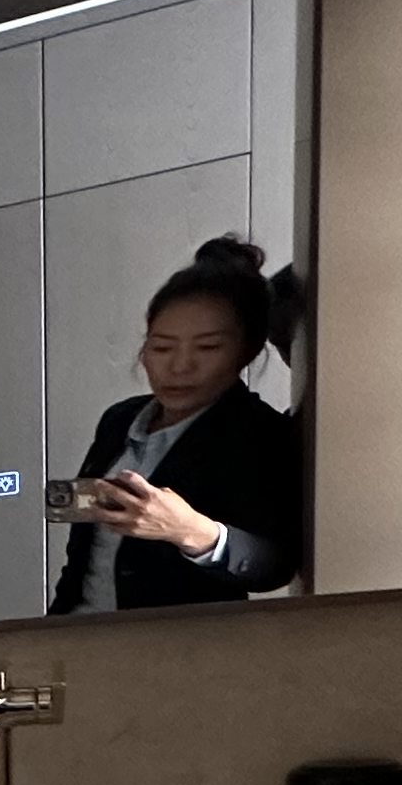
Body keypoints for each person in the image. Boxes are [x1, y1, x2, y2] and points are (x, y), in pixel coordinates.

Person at [49, 235, 307, 612]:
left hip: (177, 641)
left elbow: (274, 566)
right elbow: (83, 558)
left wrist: (190, 530)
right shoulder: (119, 420)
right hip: (80, 633)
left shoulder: (260, 432)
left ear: (247, 351)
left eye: (208, 348)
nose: (180, 366)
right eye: (162, 347)